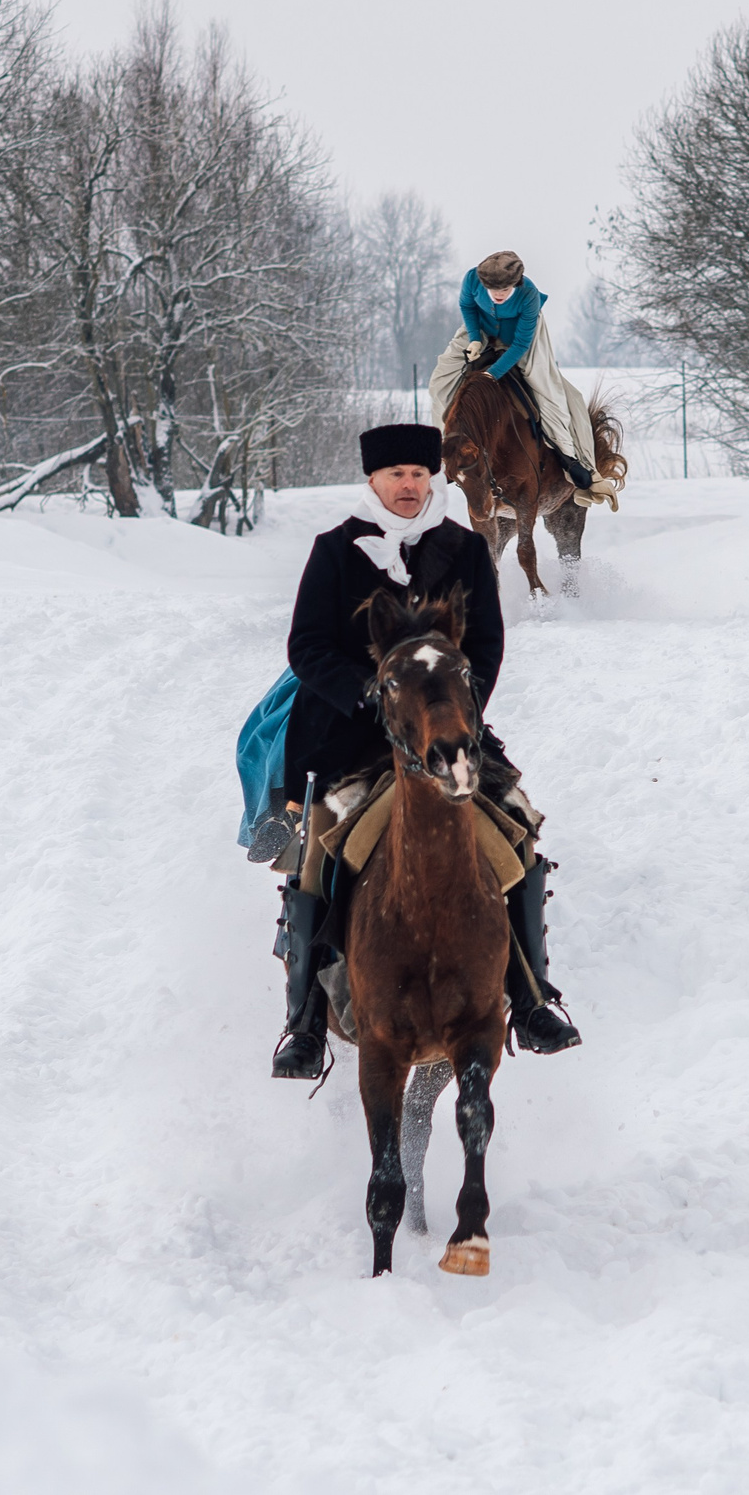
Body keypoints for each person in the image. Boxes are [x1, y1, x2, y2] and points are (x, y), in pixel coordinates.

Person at [265, 421, 582, 1079]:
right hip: (354, 738)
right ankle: (302, 1024)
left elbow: (487, 644)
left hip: (446, 737)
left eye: (418, 475)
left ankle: (529, 999)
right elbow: (307, 645)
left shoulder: (464, 547)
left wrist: (457, 717)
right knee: (316, 845)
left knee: (516, 823)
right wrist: (369, 695)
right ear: (373, 481)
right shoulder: (334, 549)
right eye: (396, 476)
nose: (409, 487)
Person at [424, 250, 614, 499]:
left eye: (505, 290)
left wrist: (492, 375)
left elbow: (521, 345)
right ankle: (448, 450)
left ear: (516, 283)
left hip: (521, 340)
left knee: (550, 392)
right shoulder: (471, 279)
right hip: (481, 329)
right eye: (494, 292)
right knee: (439, 380)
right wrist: (474, 340)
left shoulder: (528, 294)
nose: (499, 296)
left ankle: (572, 458)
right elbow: (467, 306)